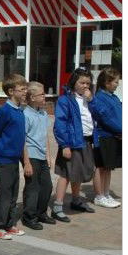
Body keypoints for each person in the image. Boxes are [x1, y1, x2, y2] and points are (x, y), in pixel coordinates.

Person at [52, 67, 96, 222]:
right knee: (66, 174)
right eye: (82, 82)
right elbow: (60, 123)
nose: (85, 86)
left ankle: (76, 200)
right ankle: (57, 207)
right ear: (73, 82)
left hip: (85, 141)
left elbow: (98, 113)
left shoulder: (89, 99)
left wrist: (91, 100)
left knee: (78, 172)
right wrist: (64, 145)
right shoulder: (65, 100)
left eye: (88, 83)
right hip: (71, 142)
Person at [0, 74, 27, 240]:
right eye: (22, 89)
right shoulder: (4, 111)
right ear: (11, 91)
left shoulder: (20, 111)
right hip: (3, 158)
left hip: (14, 159)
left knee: (13, 193)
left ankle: (9, 224)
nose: (25, 92)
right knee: (3, 193)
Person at [21, 81, 56, 230]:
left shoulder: (43, 113)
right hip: (31, 155)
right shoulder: (25, 114)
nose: (45, 97)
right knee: (32, 188)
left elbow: (45, 136)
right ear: (32, 97)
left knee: (47, 186)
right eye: (42, 94)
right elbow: (22, 140)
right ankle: (29, 217)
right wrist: (26, 162)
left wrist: (49, 156)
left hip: (42, 156)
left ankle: (41, 213)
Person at [88, 66, 122, 208]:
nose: (117, 84)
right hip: (104, 137)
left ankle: (106, 193)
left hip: (113, 136)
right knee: (100, 167)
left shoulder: (113, 97)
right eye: (115, 82)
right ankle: (99, 195)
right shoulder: (100, 98)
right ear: (107, 82)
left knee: (108, 168)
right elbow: (105, 117)